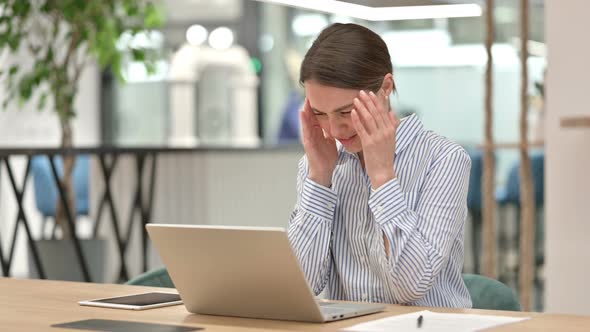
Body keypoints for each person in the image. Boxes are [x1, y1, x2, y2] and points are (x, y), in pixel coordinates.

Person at [287, 23, 472, 308]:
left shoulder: (443, 159)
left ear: (385, 88)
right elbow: (301, 285)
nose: (334, 130)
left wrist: (383, 177)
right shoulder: (320, 166)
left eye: (346, 112)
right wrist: (319, 177)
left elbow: (410, 288)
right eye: (321, 114)